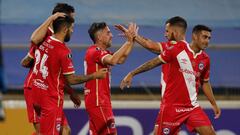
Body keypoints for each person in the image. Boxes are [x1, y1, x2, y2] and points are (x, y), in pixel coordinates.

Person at [120, 20, 221, 135]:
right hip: (171, 108)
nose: (207, 41)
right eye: (205, 37)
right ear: (194, 36)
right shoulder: (174, 48)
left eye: (209, 38)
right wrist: (132, 73)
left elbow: (205, 82)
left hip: (192, 107)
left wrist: (214, 103)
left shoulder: (205, 59)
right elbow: (153, 59)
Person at [31, 16, 107, 135]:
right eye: (72, 28)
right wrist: (94, 75)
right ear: (65, 29)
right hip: (50, 100)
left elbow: (54, 75)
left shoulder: (44, 40)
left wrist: (71, 93)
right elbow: (71, 79)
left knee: (64, 130)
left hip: (36, 95)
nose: (72, 31)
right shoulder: (63, 51)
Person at [20, 3, 79, 135]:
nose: (73, 22)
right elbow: (26, 59)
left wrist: (70, 92)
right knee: (44, 132)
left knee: (65, 130)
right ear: (61, 18)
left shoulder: (58, 41)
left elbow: (56, 73)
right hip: (34, 87)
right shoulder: (45, 34)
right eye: (71, 18)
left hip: (49, 90)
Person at [84, 22, 137, 135]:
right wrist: (128, 41)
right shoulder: (95, 52)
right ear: (99, 37)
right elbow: (113, 60)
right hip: (99, 102)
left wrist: (132, 40)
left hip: (98, 101)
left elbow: (121, 59)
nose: (112, 35)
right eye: (108, 33)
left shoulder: (101, 52)